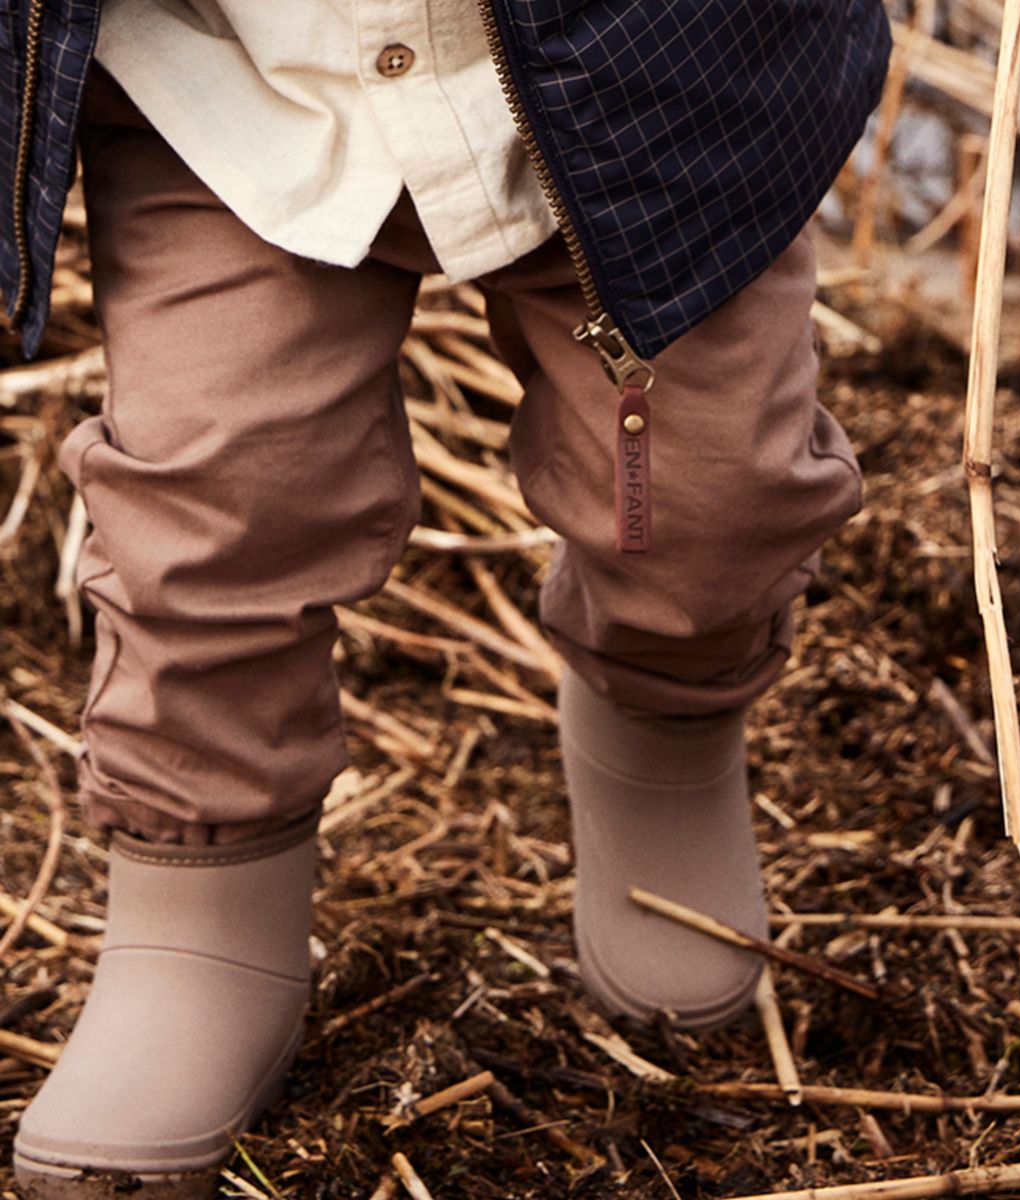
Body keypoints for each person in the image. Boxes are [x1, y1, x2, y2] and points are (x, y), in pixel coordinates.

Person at [3, 1, 891, 1194]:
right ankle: (202, 921)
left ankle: (666, 739)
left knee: (703, 499)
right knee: (217, 502)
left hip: (652, 86)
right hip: (227, 87)